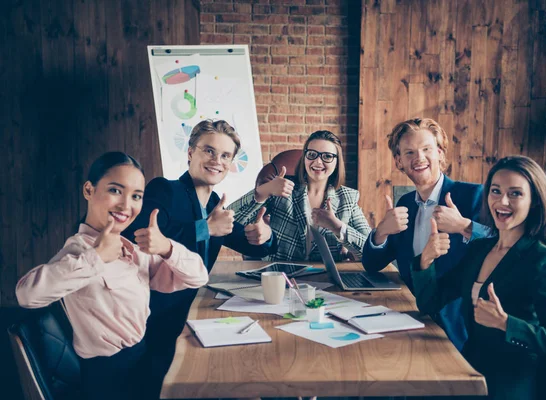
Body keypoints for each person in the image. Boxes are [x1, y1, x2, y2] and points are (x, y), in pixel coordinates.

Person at [15, 152, 209, 400]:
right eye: (116, 190)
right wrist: (96, 256)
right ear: (89, 190)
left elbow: (198, 276)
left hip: (141, 364)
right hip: (109, 380)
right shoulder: (78, 251)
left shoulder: (133, 251)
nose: (126, 205)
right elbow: (26, 295)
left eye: (136, 196)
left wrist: (167, 248)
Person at [123, 119, 277, 397]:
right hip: (154, 321)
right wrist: (205, 228)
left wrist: (264, 236)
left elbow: (249, 242)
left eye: (225, 155)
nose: (216, 160)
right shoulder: (164, 190)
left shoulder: (214, 201)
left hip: (190, 311)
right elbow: (144, 237)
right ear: (191, 152)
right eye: (209, 151)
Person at [411, 155, 546, 399]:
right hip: (467, 367)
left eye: (515, 193)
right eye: (496, 191)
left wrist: (506, 323)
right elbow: (431, 303)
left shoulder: (543, 259)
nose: (502, 201)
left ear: (534, 202)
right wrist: (425, 260)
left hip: (508, 382)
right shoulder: (480, 249)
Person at [361, 117, 490, 350]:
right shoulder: (405, 203)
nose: (418, 158)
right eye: (409, 153)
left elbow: (503, 245)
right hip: (410, 317)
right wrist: (381, 232)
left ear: (440, 153)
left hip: (457, 331)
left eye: (426, 149)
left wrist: (464, 226)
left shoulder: (472, 195)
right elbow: (371, 264)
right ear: (399, 161)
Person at [229, 130, 371, 261]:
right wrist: (263, 191)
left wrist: (337, 227)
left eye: (327, 156)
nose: (318, 162)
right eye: (312, 154)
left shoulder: (348, 198)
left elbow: (371, 252)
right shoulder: (282, 187)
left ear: (337, 162)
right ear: (305, 157)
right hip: (281, 277)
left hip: (326, 281)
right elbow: (229, 221)